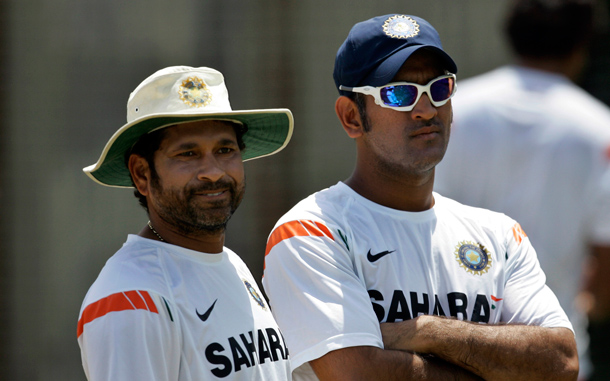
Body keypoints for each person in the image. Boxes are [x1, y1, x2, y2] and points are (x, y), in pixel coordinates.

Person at [262, 14, 579, 380]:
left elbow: (562, 363)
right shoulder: (312, 232)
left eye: (439, 89)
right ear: (351, 117)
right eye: (400, 93)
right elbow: (358, 375)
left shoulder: (501, 235)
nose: (426, 109)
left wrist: (425, 332)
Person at [77, 66, 294, 380]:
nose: (214, 171)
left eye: (225, 150)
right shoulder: (130, 299)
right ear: (141, 174)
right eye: (188, 153)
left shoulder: (230, 263)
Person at [433, 1, 610, 378]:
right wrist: (585, 303)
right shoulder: (599, 130)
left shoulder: (451, 110)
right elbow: (606, 259)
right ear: (583, 43)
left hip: (455, 356)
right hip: (555, 357)